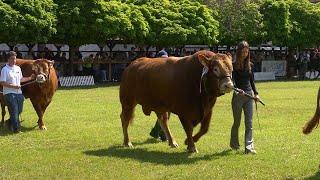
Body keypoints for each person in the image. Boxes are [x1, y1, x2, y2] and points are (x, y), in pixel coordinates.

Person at [230, 41, 260, 154]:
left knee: (249, 123)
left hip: (249, 96)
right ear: (239, 52)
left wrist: (256, 93)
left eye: (247, 51)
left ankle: (249, 147)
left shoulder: (250, 65)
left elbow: (252, 81)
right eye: (243, 51)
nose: (245, 53)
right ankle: (234, 144)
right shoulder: (233, 65)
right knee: (237, 122)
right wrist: (237, 90)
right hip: (238, 96)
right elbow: (232, 82)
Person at [0, 51, 34, 133]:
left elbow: (21, 79)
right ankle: (16, 129)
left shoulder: (18, 68)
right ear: (8, 59)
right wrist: (13, 86)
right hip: (9, 93)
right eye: (12, 59)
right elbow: (2, 82)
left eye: (14, 59)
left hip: (19, 93)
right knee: (14, 111)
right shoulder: (5, 69)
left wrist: (30, 78)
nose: (13, 61)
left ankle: (9, 122)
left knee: (19, 110)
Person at [149, 48, 169, 141]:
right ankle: (161, 134)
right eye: (163, 58)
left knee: (166, 113)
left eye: (166, 58)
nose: (165, 60)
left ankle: (156, 132)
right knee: (164, 114)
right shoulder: (155, 69)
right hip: (157, 95)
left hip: (166, 94)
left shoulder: (167, 69)